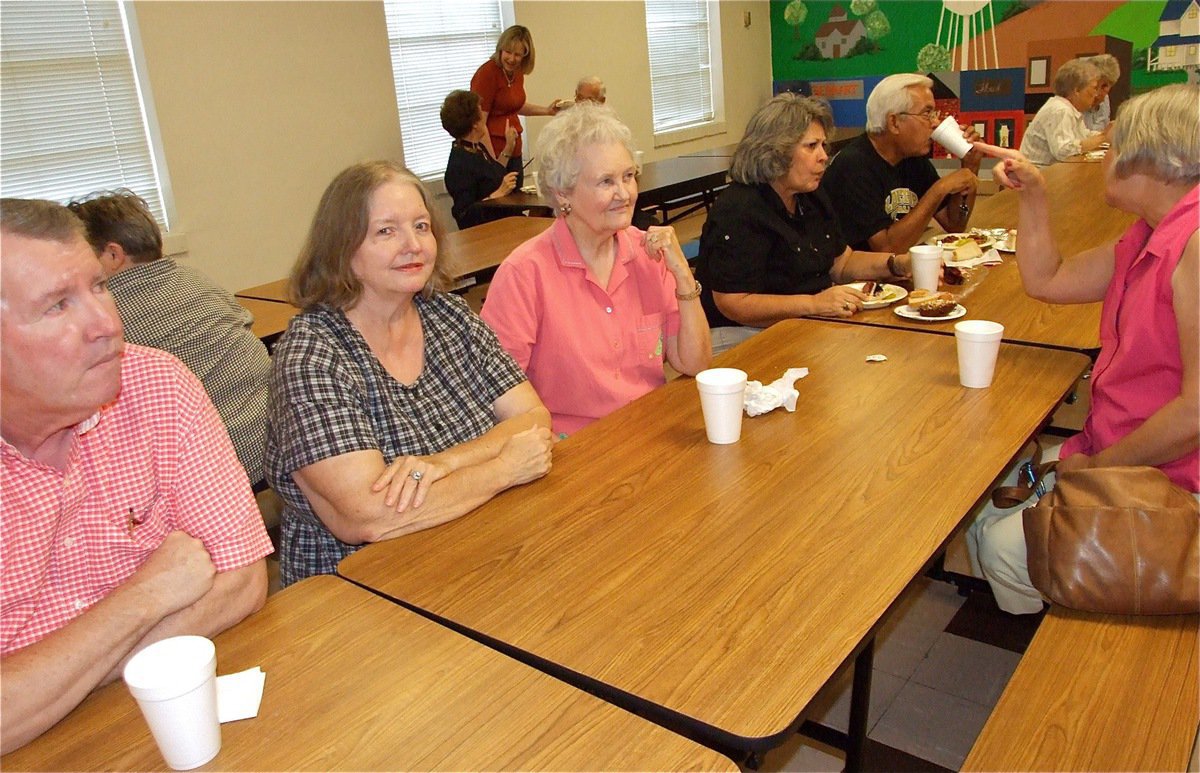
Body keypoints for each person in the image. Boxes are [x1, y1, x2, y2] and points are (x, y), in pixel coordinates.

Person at [0, 199, 273, 753]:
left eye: (99, 287)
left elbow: (242, 582)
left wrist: (50, 680)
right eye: (57, 306)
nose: (106, 324)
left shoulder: (153, 383)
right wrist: (146, 596)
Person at [264, 161, 554, 586]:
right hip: (362, 593)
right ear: (342, 249)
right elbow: (368, 516)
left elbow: (533, 419)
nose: (413, 245)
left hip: (478, 550)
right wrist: (502, 468)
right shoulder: (311, 356)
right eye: (386, 231)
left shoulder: (448, 315)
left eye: (421, 226)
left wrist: (442, 463)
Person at [968, 84, 1199, 614]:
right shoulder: (1149, 234)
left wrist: (1100, 467)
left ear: (1158, 161)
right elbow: (1047, 279)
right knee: (985, 502)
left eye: (1114, 147)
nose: (1101, 156)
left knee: (1004, 548)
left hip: (1173, 478)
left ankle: (1087, 631)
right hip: (1127, 454)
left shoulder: (1194, 245)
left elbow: (1195, 414)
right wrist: (1033, 194)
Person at [479, 103, 711, 437]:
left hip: (650, 433)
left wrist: (683, 276)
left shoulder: (648, 254)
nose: (625, 193)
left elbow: (695, 363)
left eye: (629, 176)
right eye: (606, 181)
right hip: (572, 450)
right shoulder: (524, 274)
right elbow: (495, 396)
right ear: (563, 194)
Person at [67, 190, 272, 486]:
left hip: (215, 468)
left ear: (113, 255)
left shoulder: (102, 317)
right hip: (275, 438)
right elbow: (246, 323)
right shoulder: (195, 279)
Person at [693, 93, 916, 353]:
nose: (823, 156)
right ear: (776, 151)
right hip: (740, 334)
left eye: (823, 146)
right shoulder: (740, 210)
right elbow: (734, 304)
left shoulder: (811, 195)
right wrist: (813, 304)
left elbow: (841, 263)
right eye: (811, 146)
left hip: (800, 321)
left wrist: (897, 263)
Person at [824, 73, 981, 253]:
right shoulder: (852, 166)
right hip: (856, 279)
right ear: (894, 122)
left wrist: (970, 166)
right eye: (927, 113)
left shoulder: (912, 158)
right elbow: (886, 248)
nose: (935, 122)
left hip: (894, 272)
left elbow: (955, 224)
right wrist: (939, 189)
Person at [470, 25, 564, 188]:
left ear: (525, 56)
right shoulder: (487, 74)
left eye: (518, 54)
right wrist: (495, 164)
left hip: (514, 148)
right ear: (500, 50)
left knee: (518, 202)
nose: (512, 59)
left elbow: (514, 105)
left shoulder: (516, 72)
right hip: (496, 152)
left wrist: (547, 111)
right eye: (508, 52)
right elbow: (479, 123)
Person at [440, 89, 520, 229]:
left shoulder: (476, 148)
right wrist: (498, 194)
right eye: (480, 112)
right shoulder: (459, 164)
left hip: (504, 223)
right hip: (488, 233)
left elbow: (493, 173)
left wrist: (509, 146)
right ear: (474, 123)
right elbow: (464, 215)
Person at [1019, 57, 1110, 166]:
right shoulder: (1060, 110)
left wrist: (1107, 134)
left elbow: (1083, 135)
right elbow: (1063, 152)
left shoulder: (1068, 108)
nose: (1096, 94)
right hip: (1040, 176)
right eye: (1094, 88)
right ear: (1077, 90)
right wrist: (1103, 138)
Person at [1083, 54, 1120, 132]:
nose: (1097, 93)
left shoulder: (1105, 100)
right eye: (1094, 86)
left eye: (1104, 86)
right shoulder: (1072, 103)